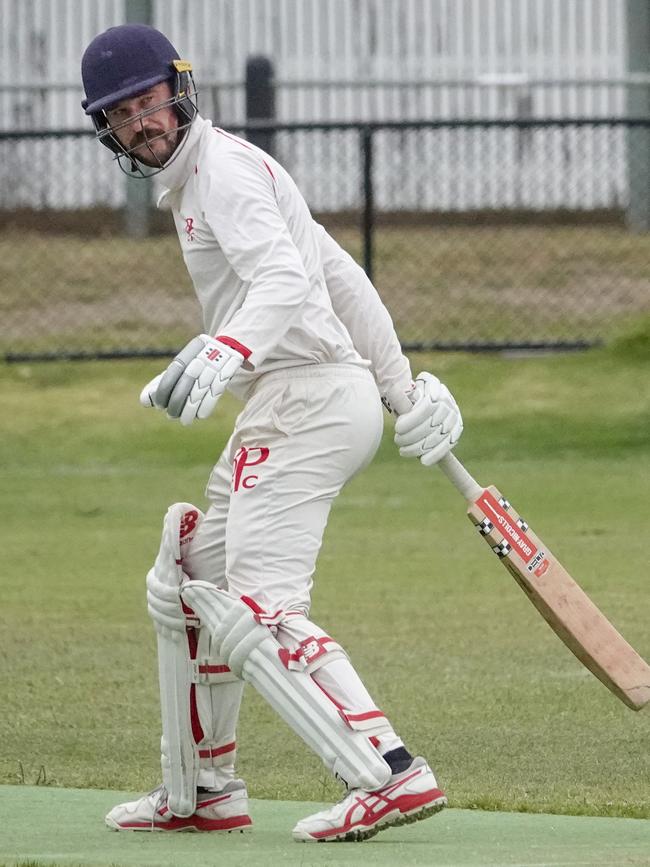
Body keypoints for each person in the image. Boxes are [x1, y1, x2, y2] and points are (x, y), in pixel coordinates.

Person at [81, 24, 463, 842]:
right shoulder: (223, 172)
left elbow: (292, 280)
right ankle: (203, 790)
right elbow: (338, 274)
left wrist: (230, 344)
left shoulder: (221, 175)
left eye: (149, 101)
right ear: (105, 127)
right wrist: (396, 387)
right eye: (121, 113)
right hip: (300, 395)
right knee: (190, 578)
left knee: (258, 602)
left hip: (307, 399)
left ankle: (388, 771)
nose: (141, 121)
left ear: (179, 91)